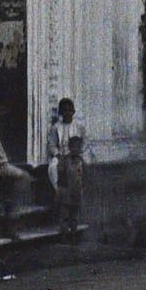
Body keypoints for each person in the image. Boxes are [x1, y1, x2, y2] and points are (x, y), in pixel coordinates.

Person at [45, 96, 87, 234]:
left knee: (76, 170)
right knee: (53, 167)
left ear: (73, 112)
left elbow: (84, 144)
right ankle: (60, 192)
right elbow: (52, 145)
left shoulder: (79, 127)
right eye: (64, 110)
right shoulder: (56, 128)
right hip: (62, 156)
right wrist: (57, 154)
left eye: (70, 110)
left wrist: (77, 154)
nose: (67, 113)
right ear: (61, 113)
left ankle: (72, 202)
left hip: (74, 156)